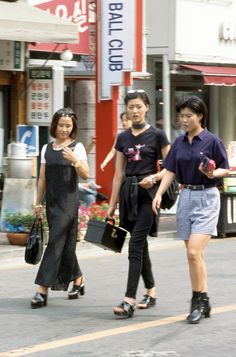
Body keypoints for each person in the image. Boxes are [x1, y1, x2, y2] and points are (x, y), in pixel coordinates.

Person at [152, 95, 229, 324]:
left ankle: (196, 301)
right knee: (196, 256)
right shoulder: (179, 142)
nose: (184, 120)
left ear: (200, 116)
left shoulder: (212, 141)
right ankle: (204, 300)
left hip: (207, 197)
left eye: (189, 116)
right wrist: (158, 193)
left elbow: (224, 168)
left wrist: (212, 173)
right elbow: (170, 170)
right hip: (185, 197)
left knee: (194, 252)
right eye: (181, 116)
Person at [107, 90, 170, 318]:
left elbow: (170, 168)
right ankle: (151, 291)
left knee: (134, 245)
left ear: (147, 108)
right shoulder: (122, 138)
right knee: (140, 246)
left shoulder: (158, 135)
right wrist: (112, 204)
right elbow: (118, 174)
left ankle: (128, 299)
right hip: (128, 195)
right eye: (130, 107)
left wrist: (153, 178)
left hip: (149, 195)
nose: (134, 111)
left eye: (138, 106)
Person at [31, 107, 90, 308]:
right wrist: (38, 202)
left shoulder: (77, 147)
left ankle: (42, 289)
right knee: (63, 244)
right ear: (54, 126)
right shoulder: (46, 149)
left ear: (73, 128)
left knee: (55, 241)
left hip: (68, 203)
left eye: (68, 126)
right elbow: (42, 178)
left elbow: (85, 174)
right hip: (52, 203)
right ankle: (79, 279)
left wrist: (74, 161)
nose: (64, 129)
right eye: (61, 125)